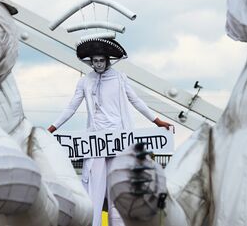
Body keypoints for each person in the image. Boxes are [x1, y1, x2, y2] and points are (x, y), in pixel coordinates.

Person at [47, 38, 172, 226]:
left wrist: (156, 121)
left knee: (118, 185)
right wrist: (52, 128)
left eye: (101, 60)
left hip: (118, 139)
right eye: (94, 61)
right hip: (96, 141)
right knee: (95, 191)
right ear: (91, 61)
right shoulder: (85, 81)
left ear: (107, 60)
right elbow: (71, 107)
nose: (97, 64)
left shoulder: (120, 78)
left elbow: (136, 101)